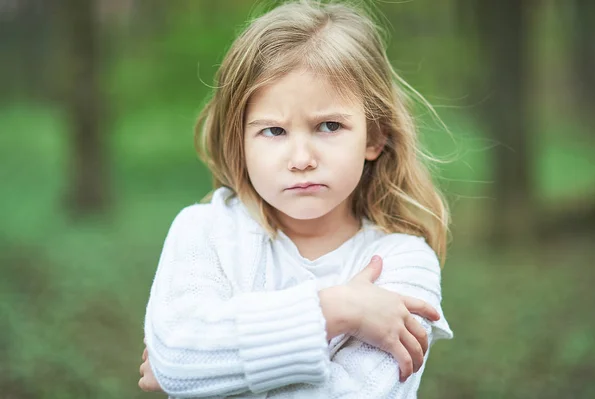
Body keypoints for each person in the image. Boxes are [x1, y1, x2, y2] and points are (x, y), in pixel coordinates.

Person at [139, 0, 453, 397]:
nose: (302, 159)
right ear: (241, 140)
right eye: (273, 131)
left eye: (328, 126)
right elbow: (181, 359)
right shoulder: (204, 231)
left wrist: (213, 373)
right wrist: (337, 311)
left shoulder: (403, 263)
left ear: (374, 136)